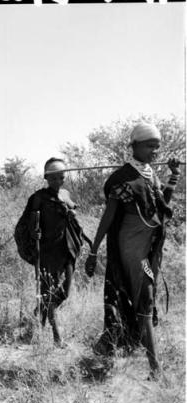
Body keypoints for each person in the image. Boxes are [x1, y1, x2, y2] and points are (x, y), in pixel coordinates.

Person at [84, 122, 181, 380]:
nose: (155, 152)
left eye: (157, 147)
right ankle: (155, 370)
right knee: (146, 298)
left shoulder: (151, 175)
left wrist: (173, 176)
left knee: (142, 301)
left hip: (148, 249)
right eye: (150, 146)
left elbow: (161, 208)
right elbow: (108, 217)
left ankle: (112, 350)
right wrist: (93, 252)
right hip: (131, 252)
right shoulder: (121, 179)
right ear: (135, 146)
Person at [25, 158, 85, 347]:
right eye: (55, 178)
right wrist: (33, 231)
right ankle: (56, 336)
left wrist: (71, 212)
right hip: (48, 252)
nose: (59, 181)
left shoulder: (65, 193)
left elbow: (73, 208)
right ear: (47, 178)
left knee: (65, 292)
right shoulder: (38, 197)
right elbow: (28, 221)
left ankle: (40, 312)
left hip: (66, 249)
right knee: (48, 292)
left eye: (62, 177)